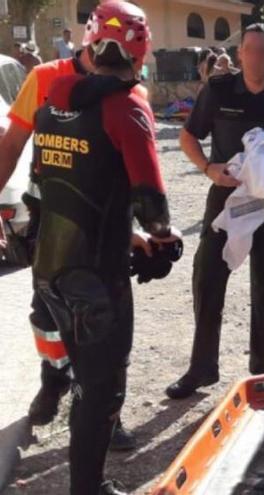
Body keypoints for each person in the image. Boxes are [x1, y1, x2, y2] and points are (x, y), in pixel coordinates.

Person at [13, 2, 178, 492]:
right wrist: (161, 240)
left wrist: (131, 235)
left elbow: (64, 195)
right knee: (102, 388)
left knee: (85, 375)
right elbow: (155, 208)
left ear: (88, 44)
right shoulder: (128, 106)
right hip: (97, 280)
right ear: (139, 51)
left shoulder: (53, 103)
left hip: (50, 269)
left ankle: (59, 404)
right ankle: (89, 487)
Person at [0, 24, 142, 450]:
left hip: (103, 234)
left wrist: (136, 228)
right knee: (46, 316)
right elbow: (12, 144)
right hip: (52, 226)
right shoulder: (43, 78)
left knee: (108, 328)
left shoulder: (130, 92)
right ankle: (54, 380)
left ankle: (105, 417)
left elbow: (133, 172)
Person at [166, 23, 264, 399]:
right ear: (240, 54)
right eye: (249, 50)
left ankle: (260, 369)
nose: (255, 57)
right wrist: (208, 168)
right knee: (207, 280)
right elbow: (188, 136)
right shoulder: (219, 89)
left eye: (263, 51)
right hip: (227, 202)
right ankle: (201, 369)